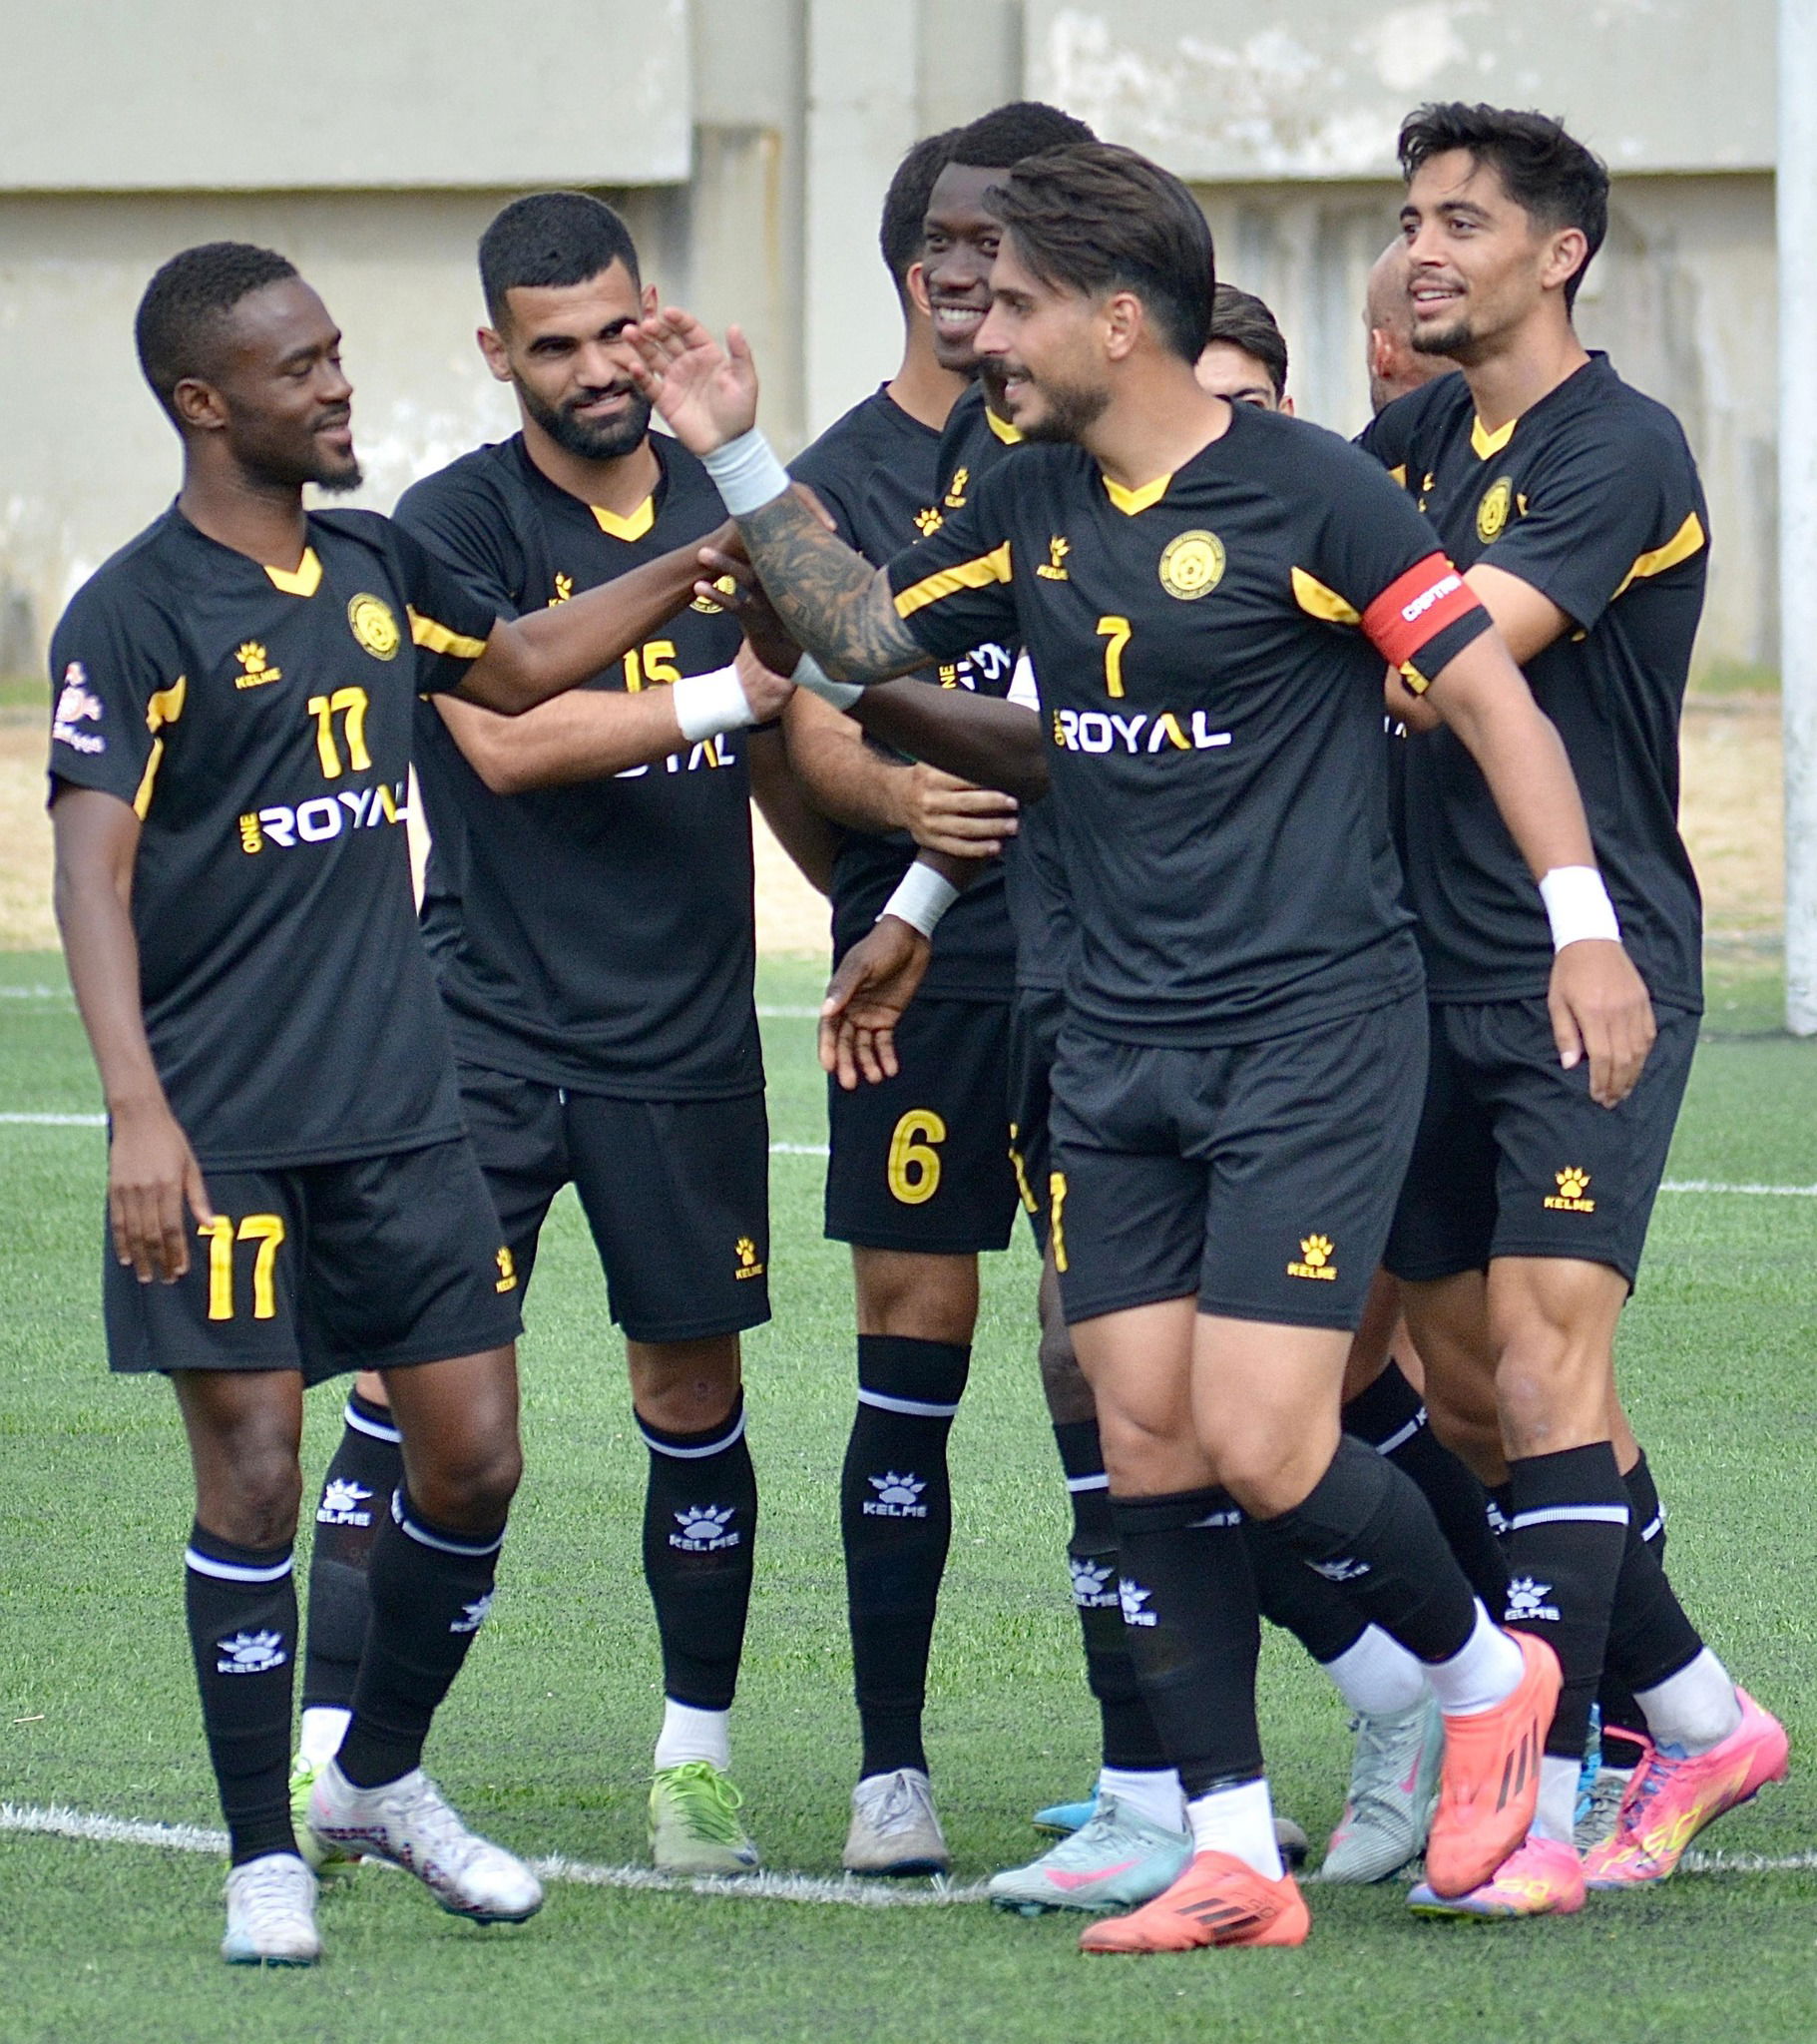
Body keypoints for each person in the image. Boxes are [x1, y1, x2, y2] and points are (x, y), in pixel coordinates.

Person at [623, 139, 1661, 1953]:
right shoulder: (1026, 496)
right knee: (1148, 1441)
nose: (982, 333)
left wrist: (1583, 926)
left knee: (1266, 1435)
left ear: (1116, 318)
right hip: (1106, 1039)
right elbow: (859, 642)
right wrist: (734, 453)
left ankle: (1487, 1677)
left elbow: (1489, 694)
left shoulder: (1316, 494)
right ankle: (1232, 1858)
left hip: (1305, 1034)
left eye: (1014, 303)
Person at [49, 242, 787, 1965]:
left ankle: (376, 1777)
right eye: (300, 368)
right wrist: (138, 1113)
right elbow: (88, 874)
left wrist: (695, 564)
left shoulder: (376, 564)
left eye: (335, 355)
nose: (338, 386)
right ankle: (264, 1855)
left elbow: (516, 669)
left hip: (404, 1110)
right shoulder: (134, 610)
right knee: (254, 1478)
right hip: (227, 1128)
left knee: (474, 1457)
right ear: (204, 402)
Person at [289, 192, 810, 1879]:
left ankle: (695, 1767)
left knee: (694, 1392)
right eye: (554, 345)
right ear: (496, 352)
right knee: (414, 1391)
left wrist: (898, 902)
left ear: (655, 319)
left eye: (613, 333)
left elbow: (834, 673)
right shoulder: (444, 526)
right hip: (486, 1034)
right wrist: (723, 689)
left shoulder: (737, 497)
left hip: (684, 1038)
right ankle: (332, 1753)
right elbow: (503, 742)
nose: (593, 370)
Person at [1359, 102, 1787, 1920]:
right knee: (1469, 1395)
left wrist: (1338, 619)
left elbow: (1438, 666)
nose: (1421, 248)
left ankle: (1536, 1804)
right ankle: (1695, 1715)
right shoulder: (1405, 439)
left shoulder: (1620, 446)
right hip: (1407, 973)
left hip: (1579, 967)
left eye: (1460, 220)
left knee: (1545, 1364)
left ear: (1561, 255)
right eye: (1410, 218)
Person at [780, 101, 1094, 1877]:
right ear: (921, 264)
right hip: (930, 971)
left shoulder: (1091, 430)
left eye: (1023, 244)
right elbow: (803, 718)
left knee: (1106, 1354)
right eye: (971, 243)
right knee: (914, 1340)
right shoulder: (837, 476)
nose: (991, 274)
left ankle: (1151, 1764)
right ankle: (888, 1771)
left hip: (1106, 952)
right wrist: (898, 808)